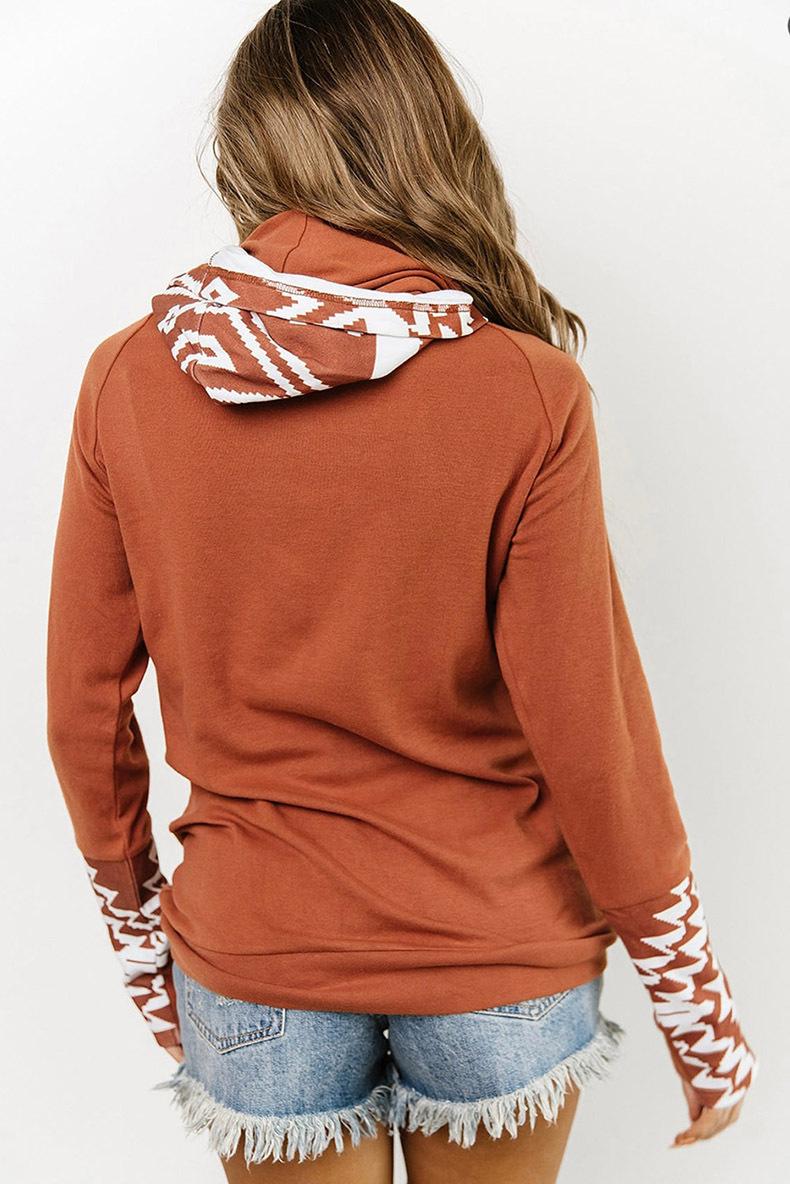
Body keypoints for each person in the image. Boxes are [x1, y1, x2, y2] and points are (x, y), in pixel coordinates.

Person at [45, 1, 757, 1181]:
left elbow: (82, 711)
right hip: (497, 951)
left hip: (256, 948)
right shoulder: (526, 390)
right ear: (428, 142)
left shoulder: (128, 378)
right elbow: (593, 734)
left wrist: (141, 943)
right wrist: (695, 1005)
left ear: (248, 153)